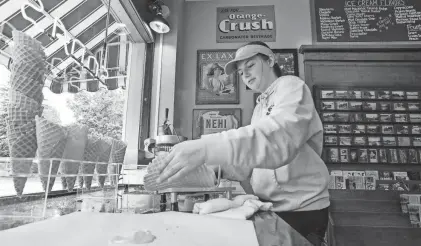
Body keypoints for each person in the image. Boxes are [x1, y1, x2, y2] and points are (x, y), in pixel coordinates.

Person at [156, 41, 330, 244]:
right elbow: (250, 163)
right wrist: (210, 170)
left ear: (270, 60)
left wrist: (205, 147)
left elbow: (277, 140)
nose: (245, 74)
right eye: (240, 72)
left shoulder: (291, 86)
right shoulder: (260, 107)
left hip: (303, 209)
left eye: (250, 65)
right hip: (271, 207)